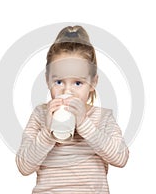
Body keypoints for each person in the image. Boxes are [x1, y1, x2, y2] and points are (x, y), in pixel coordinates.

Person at [16, 25, 129, 194]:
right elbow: (24, 166)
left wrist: (85, 124)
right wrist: (47, 132)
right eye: (59, 82)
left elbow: (121, 158)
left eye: (78, 83)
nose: (67, 91)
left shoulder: (102, 117)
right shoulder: (40, 115)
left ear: (93, 83)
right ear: (47, 80)